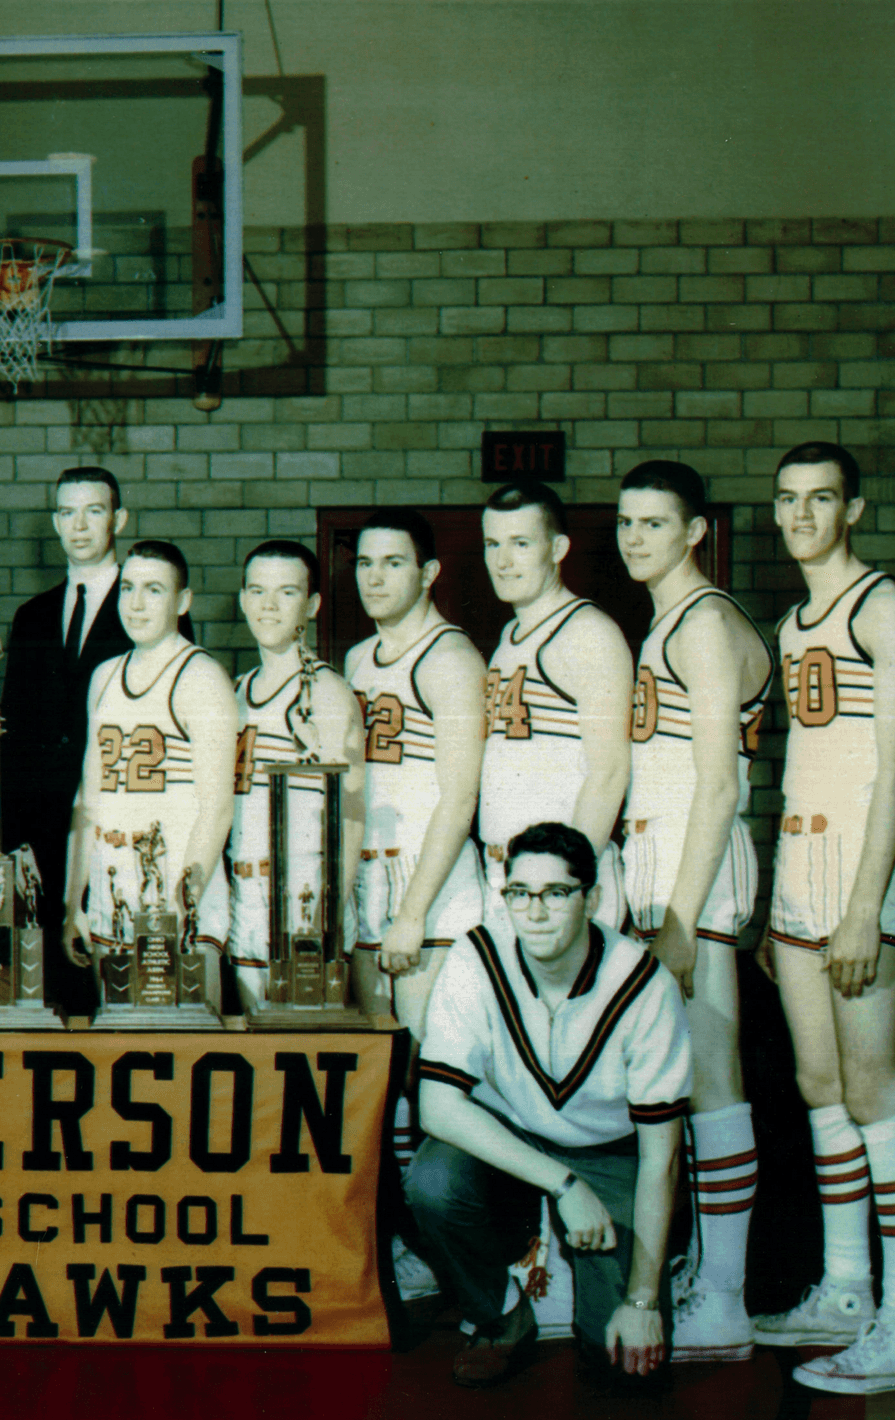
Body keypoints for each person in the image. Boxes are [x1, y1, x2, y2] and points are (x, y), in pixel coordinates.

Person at [751, 442, 895, 1395]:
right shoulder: (791, 621)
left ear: (853, 510)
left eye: (821, 499)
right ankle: (848, 1291)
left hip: (863, 873)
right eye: (788, 500)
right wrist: (780, 909)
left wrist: (864, 908)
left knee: (877, 1096)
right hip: (798, 872)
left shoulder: (882, 605)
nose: (802, 515)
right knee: (821, 1090)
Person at [410, 822, 690, 1391]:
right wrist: (563, 1185)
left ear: (592, 897)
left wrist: (640, 1300)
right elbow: (438, 1108)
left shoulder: (644, 984)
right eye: (520, 893)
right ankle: (500, 1316)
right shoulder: (477, 955)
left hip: (606, 1151)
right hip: (511, 1141)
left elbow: (662, 1156)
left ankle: (642, 1278)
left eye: (556, 894)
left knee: (624, 1372)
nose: (534, 912)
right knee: (432, 1182)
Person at [615, 460, 772, 1362]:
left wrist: (678, 913)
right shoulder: (667, 618)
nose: (637, 537)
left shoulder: (706, 623)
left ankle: (726, 1296)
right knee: (681, 1078)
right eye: (628, 523)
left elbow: (717, 783)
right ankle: (706, 1269)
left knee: (714, 1083)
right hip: (662, 865)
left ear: (695, 530)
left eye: (655, 523)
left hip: (696, 871)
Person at [343, 510, 488, 1301]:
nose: (375, 577)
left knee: (441, 1085)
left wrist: (415, 913)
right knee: (385, 1081)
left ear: (429, 573)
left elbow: (461, 794)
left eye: (393, 563)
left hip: (433, 898)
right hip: (373, 887)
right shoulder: (359, 658)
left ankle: (481, 1257)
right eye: (365, 562)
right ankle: (416, 1249)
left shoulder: (452, 656)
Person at [64, 540, 235, 999]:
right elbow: (89, 799)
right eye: (128, 588)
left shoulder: (202, 677)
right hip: (113, 886)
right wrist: (71, 900)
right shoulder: (103, 676)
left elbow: (217, 809)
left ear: (182, 601)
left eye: (154, 590)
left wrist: (182, 906)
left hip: (177, 894)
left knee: (187, 1046)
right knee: (121, 1049)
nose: (136, 604)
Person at [2, 466, 139, 1015]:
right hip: (43, 828)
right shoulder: (31, 616)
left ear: (119, 519)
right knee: (53, 987)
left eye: (94, 511)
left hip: (114, 822)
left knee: (116, 984)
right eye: (66, 512)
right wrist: (13, 838)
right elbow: (13, 733)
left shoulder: (144, 606)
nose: (78, 526)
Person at [478, 480, 632, 934]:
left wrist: (568, 885)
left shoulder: (587, 632)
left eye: (520, 543)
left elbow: (609, 773)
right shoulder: (510, 637)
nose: (503, 561)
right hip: (508, 876)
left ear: (558, 547)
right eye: (492, 544)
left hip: (557, 882)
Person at [226, 539, 364, 1009]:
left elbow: (351, 816)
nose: (268, 605)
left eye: (286, 593)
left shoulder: (324, 692)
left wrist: (329, 917)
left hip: (302, 896)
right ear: (242, 598)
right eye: (257, 591)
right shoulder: (236, 690)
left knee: (303, 1047)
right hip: (244, 891)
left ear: (312, 604)